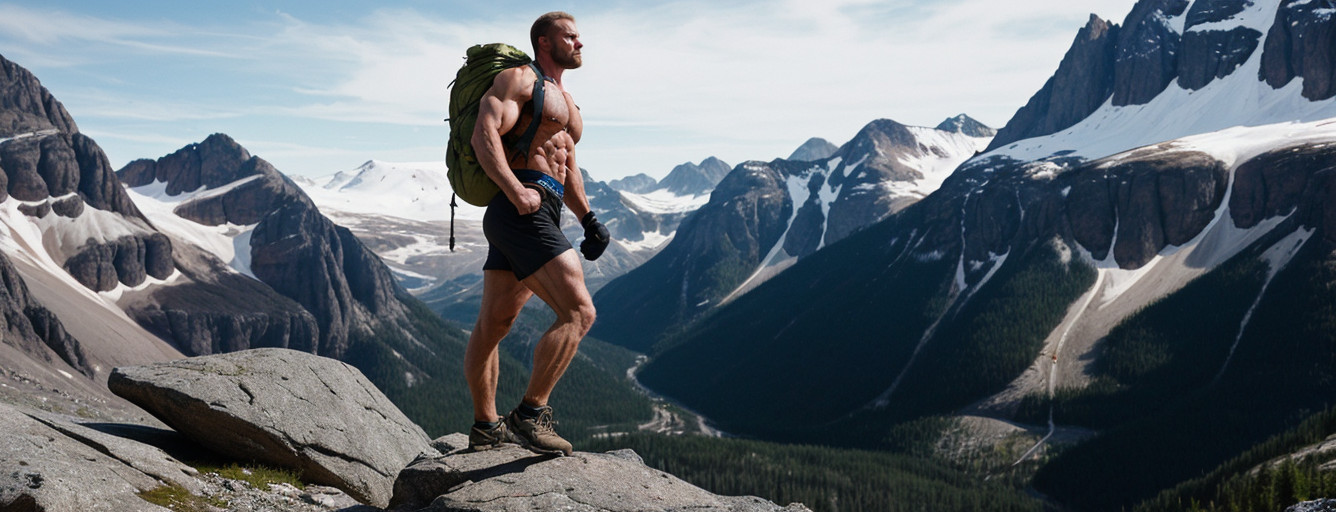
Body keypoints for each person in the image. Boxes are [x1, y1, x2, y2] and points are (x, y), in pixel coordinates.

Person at [463, 11, 610, 457]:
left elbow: (565, 164)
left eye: (580, 36)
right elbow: (483, 132)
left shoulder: (567, 101)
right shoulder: (519, 80)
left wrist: (587, 219)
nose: (580, 43)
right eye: (570, 37)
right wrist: (514, 190)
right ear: (545, 42)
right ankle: (530, 414)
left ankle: (486, 427)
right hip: (521, 210)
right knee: (579, 313)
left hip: (541, 208)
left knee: (495, 324)